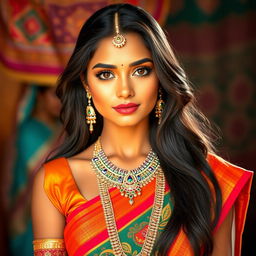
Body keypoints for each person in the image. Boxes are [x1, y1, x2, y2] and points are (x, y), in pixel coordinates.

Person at [31, 4, 253, 256]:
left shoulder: (206, 178)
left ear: (160, 76)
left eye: (141, 71)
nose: (125, 90)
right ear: (86, 83)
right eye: (106, 74)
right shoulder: (57, 182)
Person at [6, 85, 61, 256]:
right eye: (54, 95)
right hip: (31, 213)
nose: (61, 102)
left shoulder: (64, 129)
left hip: (62, 208)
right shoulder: (27, 132)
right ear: (39, 96)